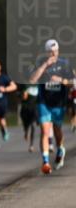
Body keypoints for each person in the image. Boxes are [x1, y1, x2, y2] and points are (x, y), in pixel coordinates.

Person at [29, 39, 74, 173]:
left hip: (58, 102)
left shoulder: (64, 64)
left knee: (57, 130)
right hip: (43, 102)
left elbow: (72, 82)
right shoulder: (40, 63)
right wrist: (44, 66)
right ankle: (45, 162)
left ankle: (61, 148)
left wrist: (61, 80)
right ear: (46, 52)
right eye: (50, 52)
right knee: (44, 130)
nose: (53, 54)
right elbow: (32, 80)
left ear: (58, 51)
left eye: (55, 51)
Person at [20, 84, 40, 153]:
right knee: (26, 124)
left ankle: (31, 145)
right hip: (25, 108)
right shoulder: (25, 84)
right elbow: (23, 97)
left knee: (33, 125)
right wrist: (24, 94)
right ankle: (26, 131)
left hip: (34, 108)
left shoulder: (39, 85)